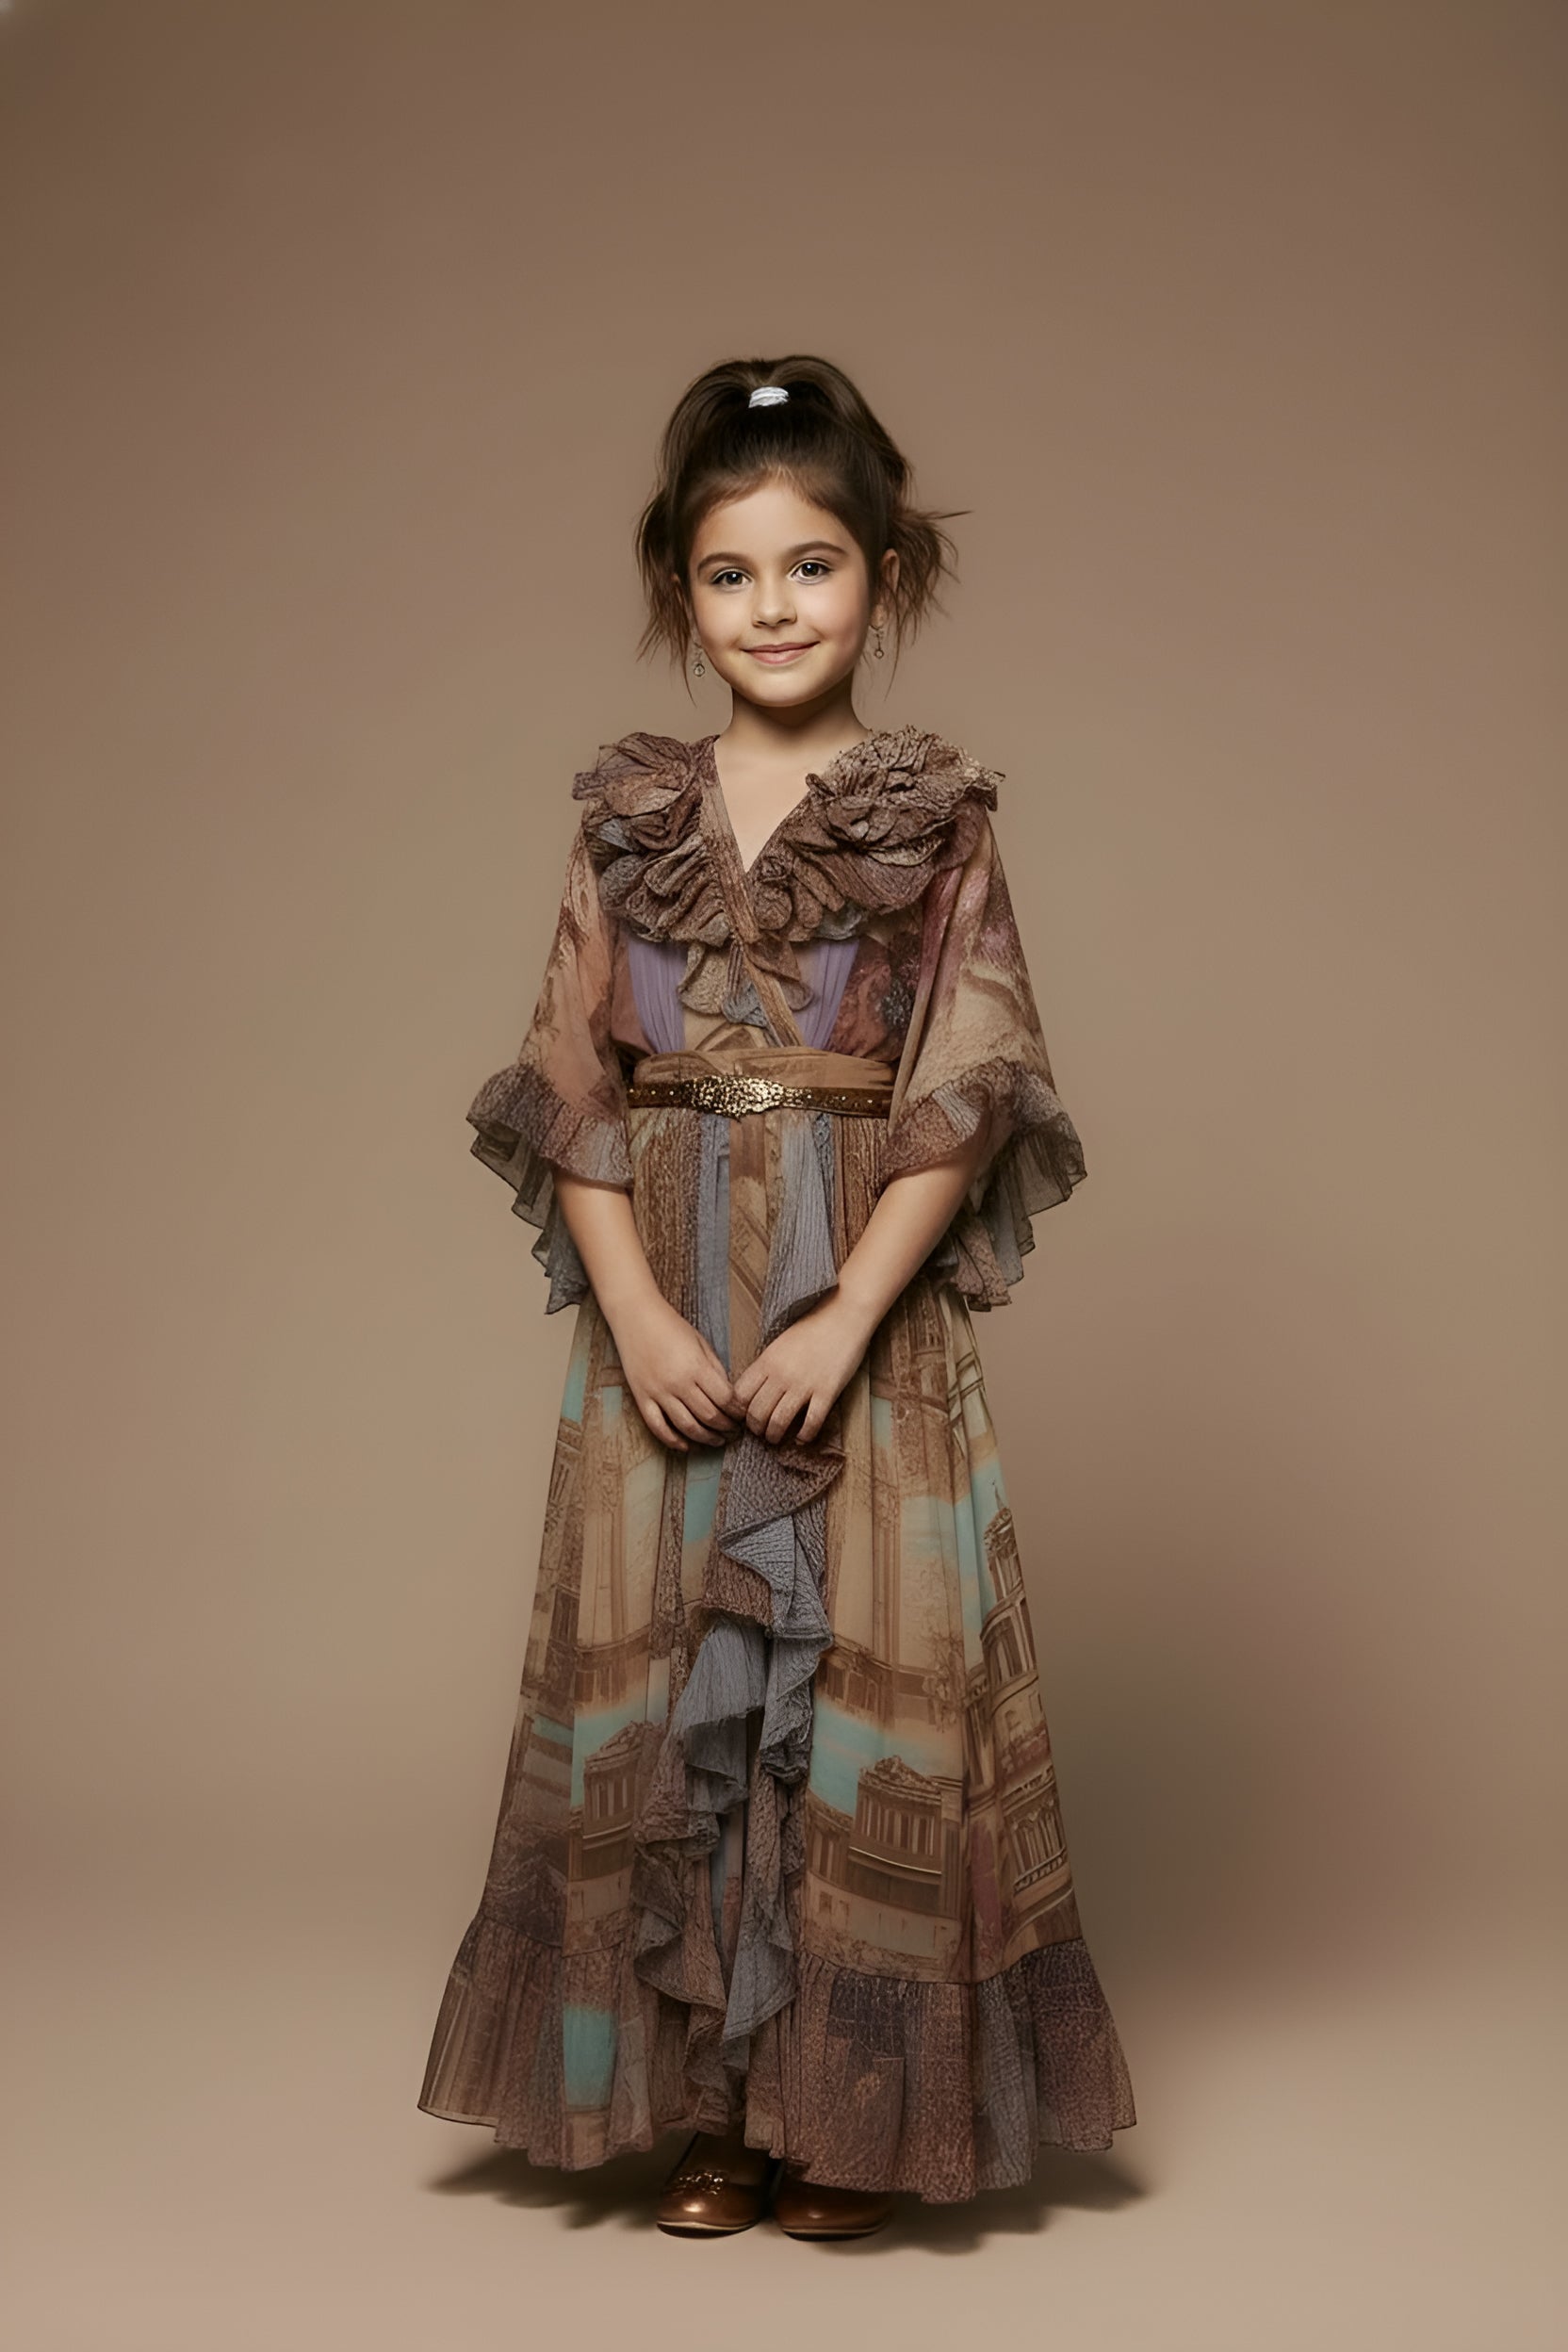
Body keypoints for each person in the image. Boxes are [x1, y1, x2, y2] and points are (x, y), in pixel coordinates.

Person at [416, 354, 1136, 2239]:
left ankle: (853, 2120)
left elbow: (971, 1093)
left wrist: (843, 1320)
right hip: (662, 1298)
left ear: (882, 577)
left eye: (812, 567)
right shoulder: (619, 820)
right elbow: (565, 1083)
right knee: (666, 1683)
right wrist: (642, 1320)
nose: (773, 609)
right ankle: (711, 2112)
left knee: (861, 1693)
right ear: (680, 590)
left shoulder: (935, 822)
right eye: (731, 576)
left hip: (854, 1303)